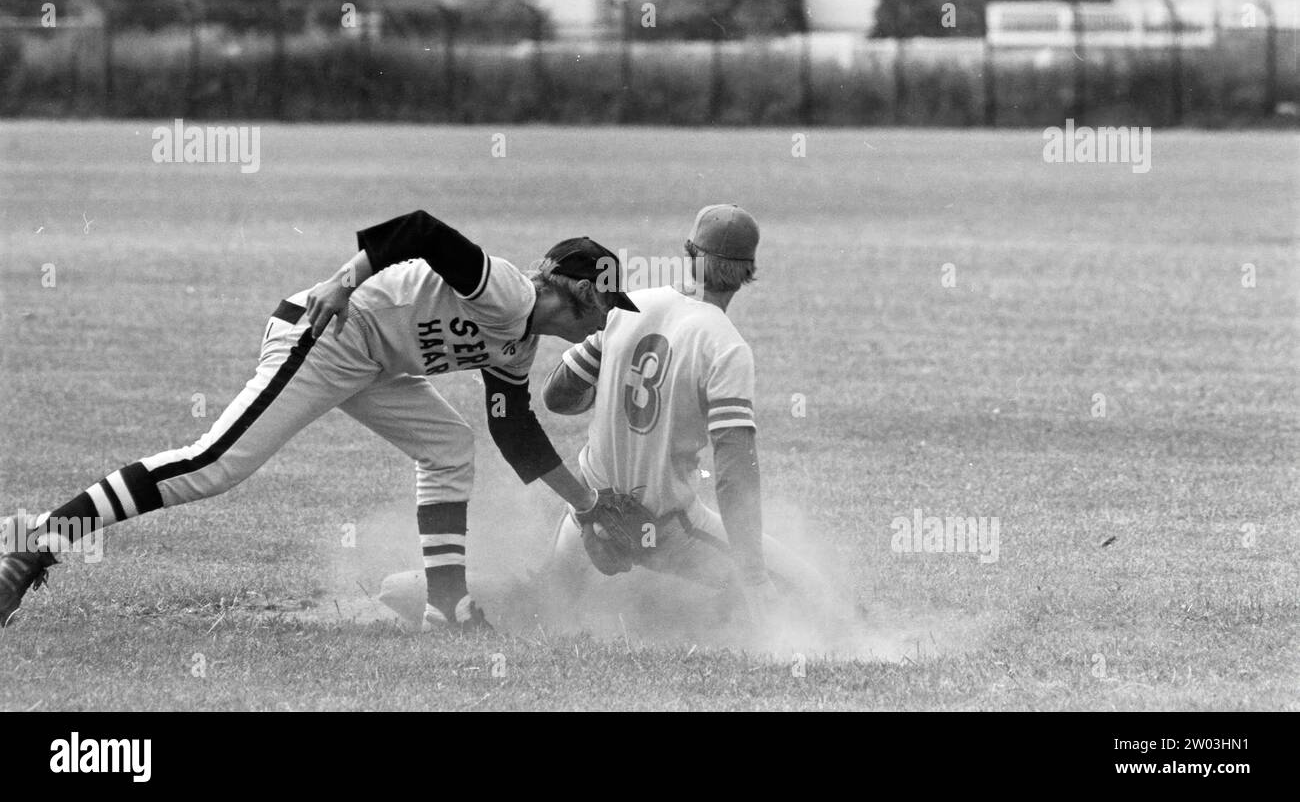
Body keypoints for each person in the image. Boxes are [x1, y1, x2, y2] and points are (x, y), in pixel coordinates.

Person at [0, 210, 637, 632]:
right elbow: (419, 229)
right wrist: (345, 277)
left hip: (372, 365)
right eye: (607, 302)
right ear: (580, 292)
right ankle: (34, 541)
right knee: (217, 463)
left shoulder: (519, 345)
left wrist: (586, 505)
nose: (607, 318)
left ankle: (447, 603)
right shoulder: (506, 291)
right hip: (329, 334)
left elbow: (514, 431)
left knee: (449, 446)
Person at [541, 204, 831, 632]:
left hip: (586, 519)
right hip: (669, 534)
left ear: (689, 252)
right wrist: (754, 577)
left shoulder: (628, 305)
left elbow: (557, 396)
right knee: (813, 594)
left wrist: (611, 395)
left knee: (544, 609)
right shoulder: (726, 347)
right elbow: (734, 476)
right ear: (749, 270)